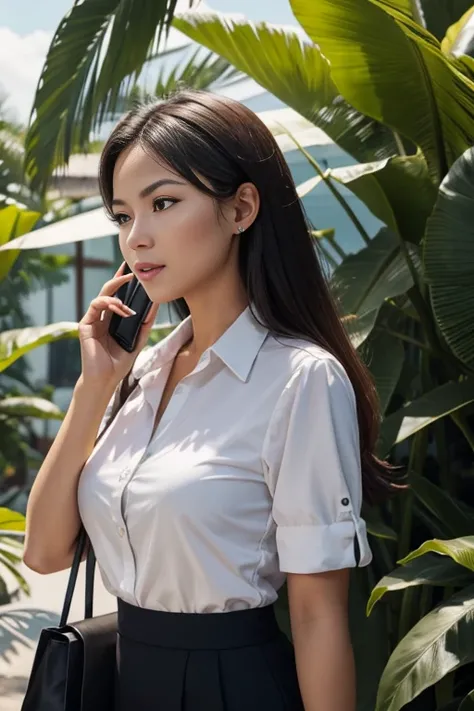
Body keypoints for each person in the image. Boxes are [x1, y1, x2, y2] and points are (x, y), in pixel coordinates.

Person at [23, 90, 396, 711]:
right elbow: (44, 551)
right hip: (123, 684)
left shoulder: (302, 379)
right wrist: (96, 386)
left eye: (163, 203)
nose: (136, 238)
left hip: (234, 690)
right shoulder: (140, 375)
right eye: (121, 216)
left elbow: (317, 616)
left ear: (241, 207)